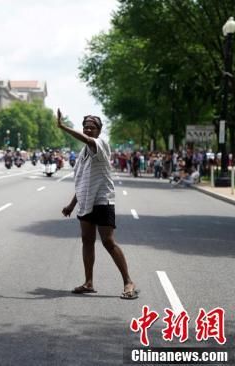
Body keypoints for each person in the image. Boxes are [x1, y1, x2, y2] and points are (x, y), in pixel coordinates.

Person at [57, 109, 138, 300]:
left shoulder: (100, 144)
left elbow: (87, 140)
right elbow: (83, 181)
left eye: (92, 127)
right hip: (86, 202)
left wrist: (62, 126)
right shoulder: (83, 153)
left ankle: (128, 281)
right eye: (86, 127)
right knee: (87, 240)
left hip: (102, 201)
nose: (88, 129)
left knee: (108, 242)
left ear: (99, 131)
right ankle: (89, 282)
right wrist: (71, 205)